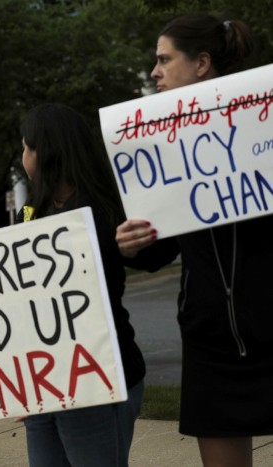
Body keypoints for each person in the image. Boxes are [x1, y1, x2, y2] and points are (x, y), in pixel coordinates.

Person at [115, 13, 268, 467]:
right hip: (210, 341)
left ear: (201, 63)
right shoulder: (161, 149)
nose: (154, 72)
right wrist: (130, 242)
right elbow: (160, 248)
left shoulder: (265, 123)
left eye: (164, 60)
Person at [0, 104, 145, 467]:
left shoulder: (99, 210)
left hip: (95, 379)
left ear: (43, 151)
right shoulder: (33, 209)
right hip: (45, 383)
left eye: (24, 146)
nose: (22, 156)